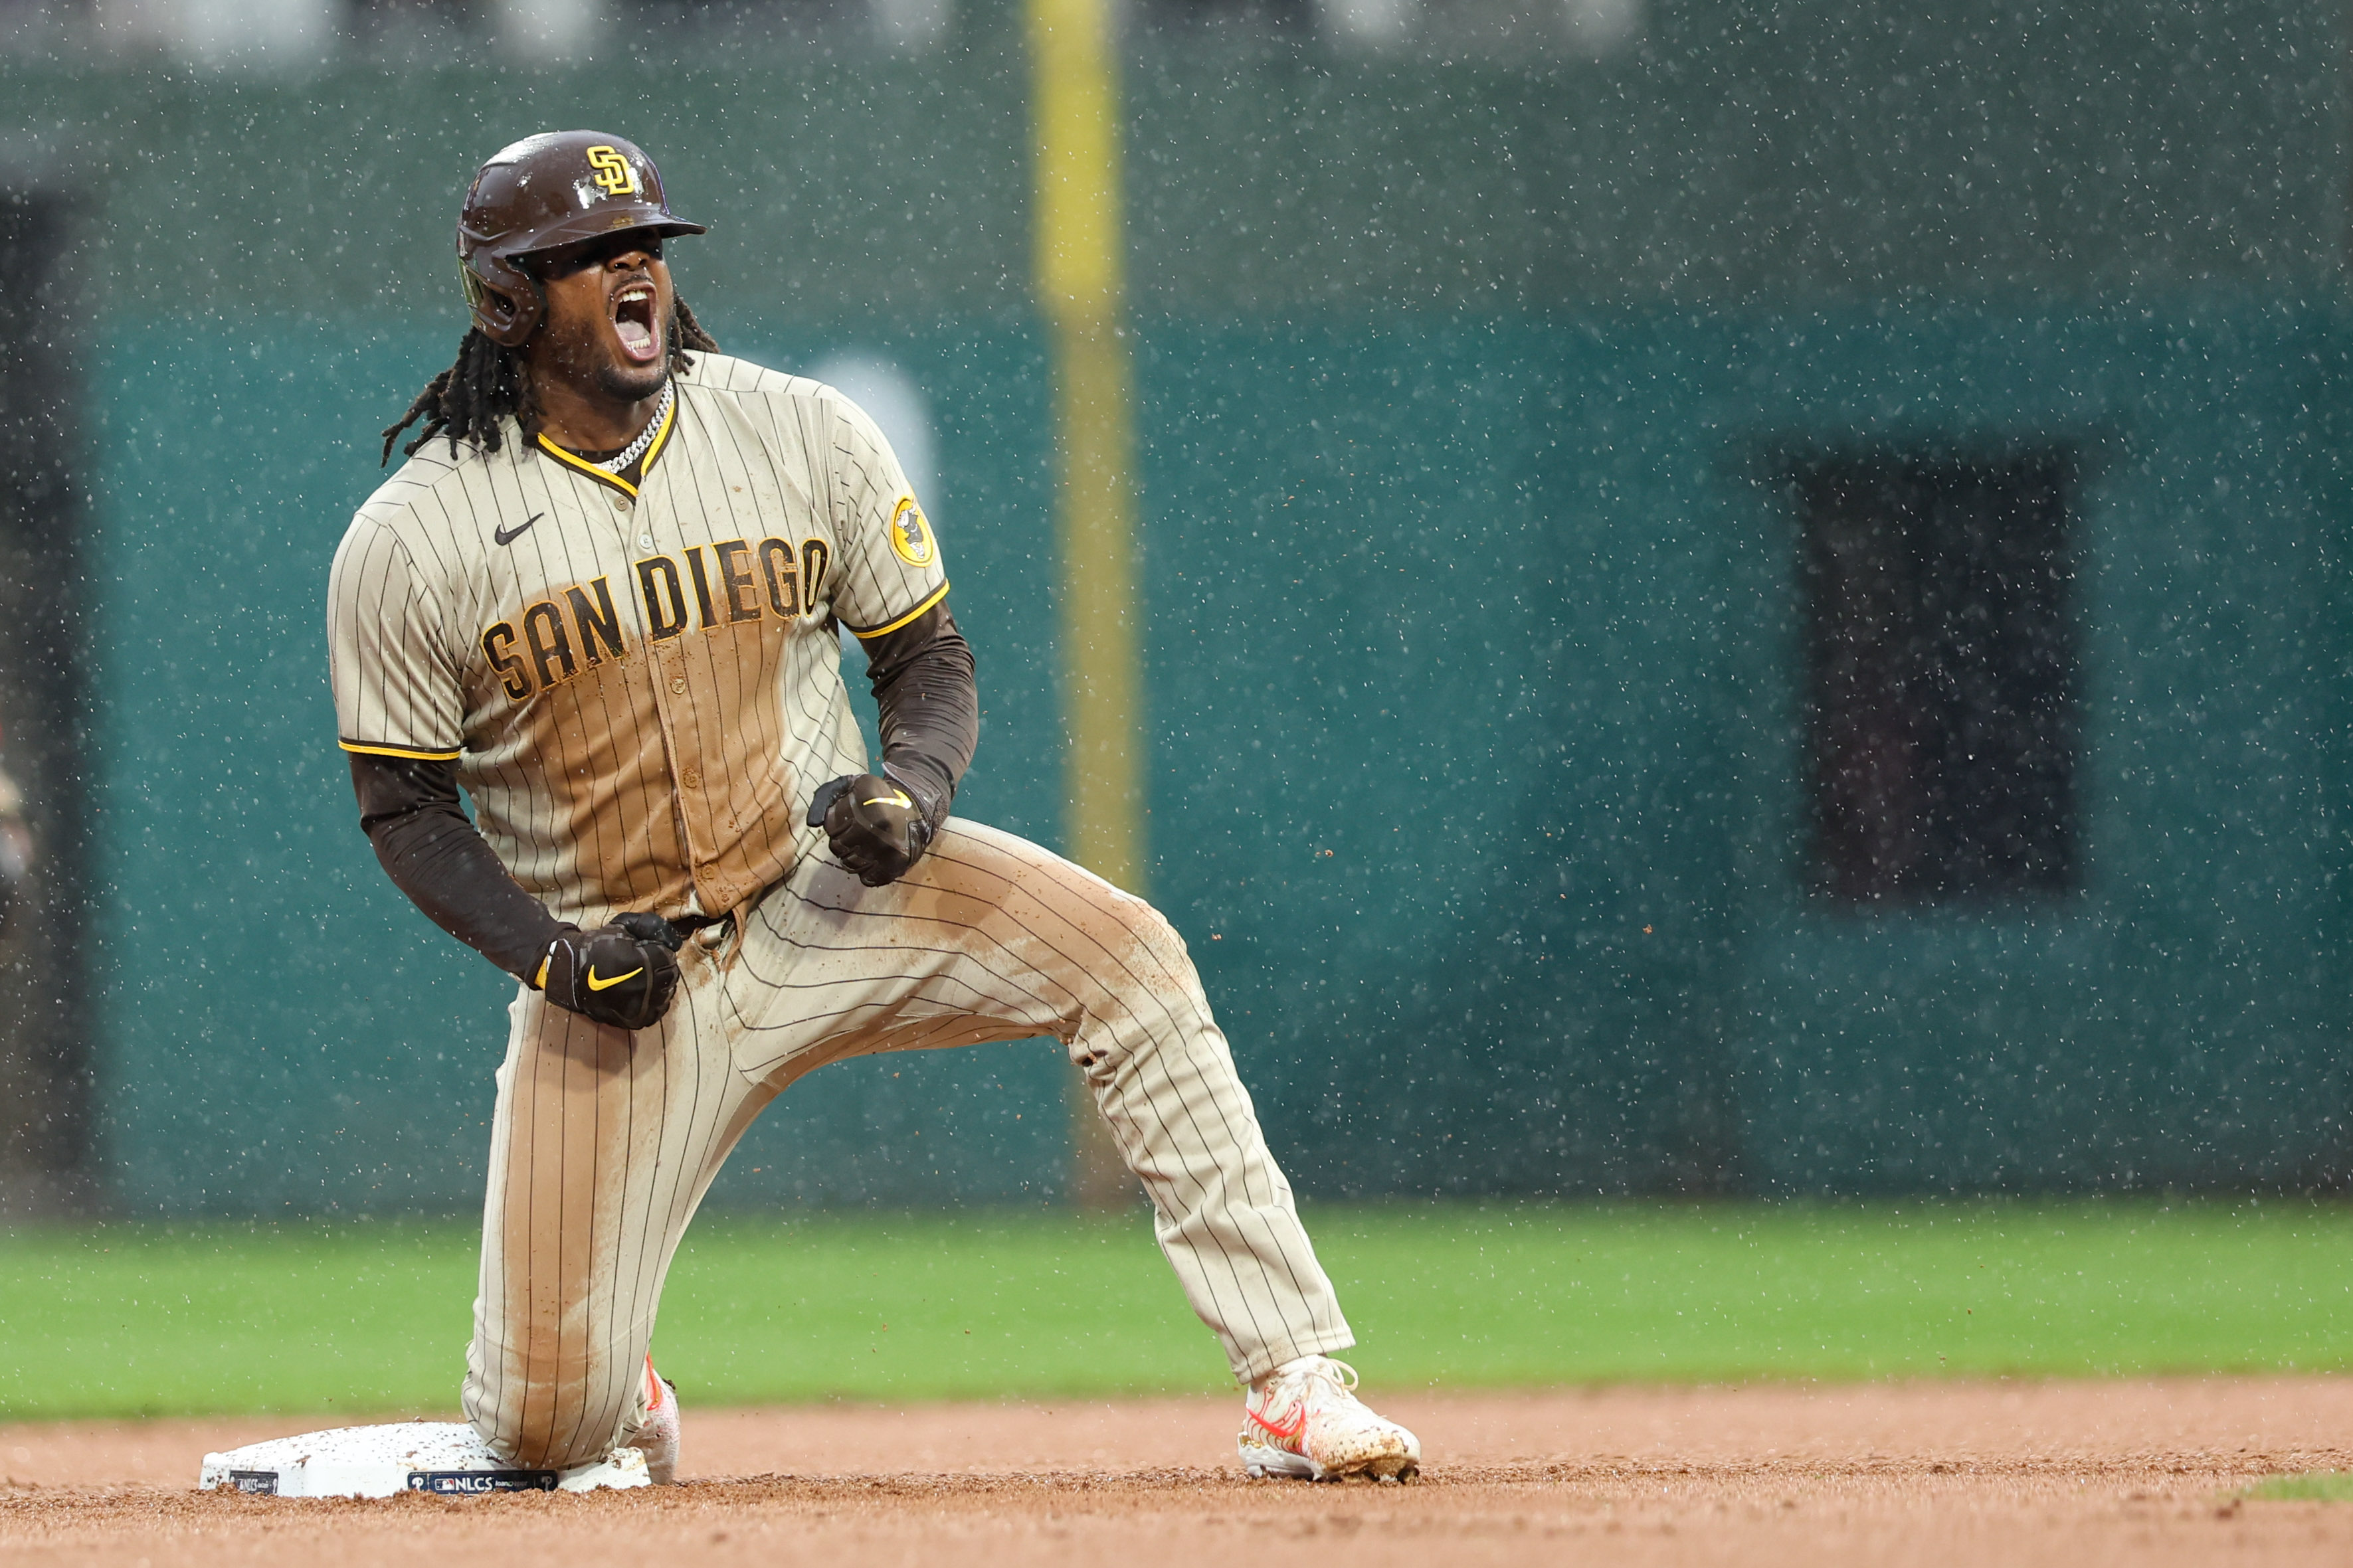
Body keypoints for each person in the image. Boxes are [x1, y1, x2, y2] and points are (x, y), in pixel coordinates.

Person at [329, 130, 1419, 1487]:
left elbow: (924, 657)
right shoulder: (413, 535)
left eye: (645, 246)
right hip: (628, 974)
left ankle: (1294, 1380)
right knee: (544, 1432)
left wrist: (915, 788)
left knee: (1128, 957)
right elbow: (406, 810)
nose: (632, 270)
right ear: (505, 298)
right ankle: (624, 1374)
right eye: (586, 256)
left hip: (828, 890)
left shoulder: (794, 427)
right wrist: (552, 955)